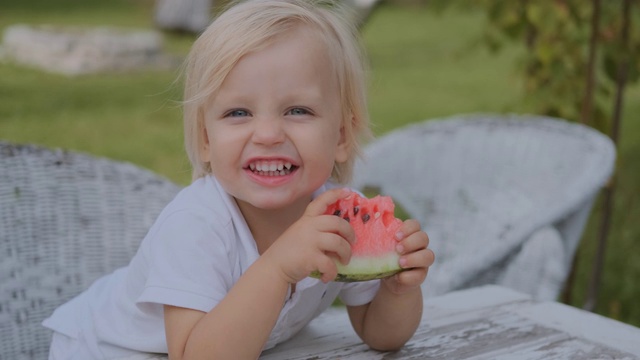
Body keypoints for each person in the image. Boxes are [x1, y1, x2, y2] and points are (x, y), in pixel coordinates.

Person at [43, 0, 435, 358]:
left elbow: (380, 336)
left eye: (297, 110)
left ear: (341, 137)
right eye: (238, 113)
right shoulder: (196, 226)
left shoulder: (339, 216)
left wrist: (398, 291)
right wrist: (279, 266)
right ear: (205, 139)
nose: (267, 134)